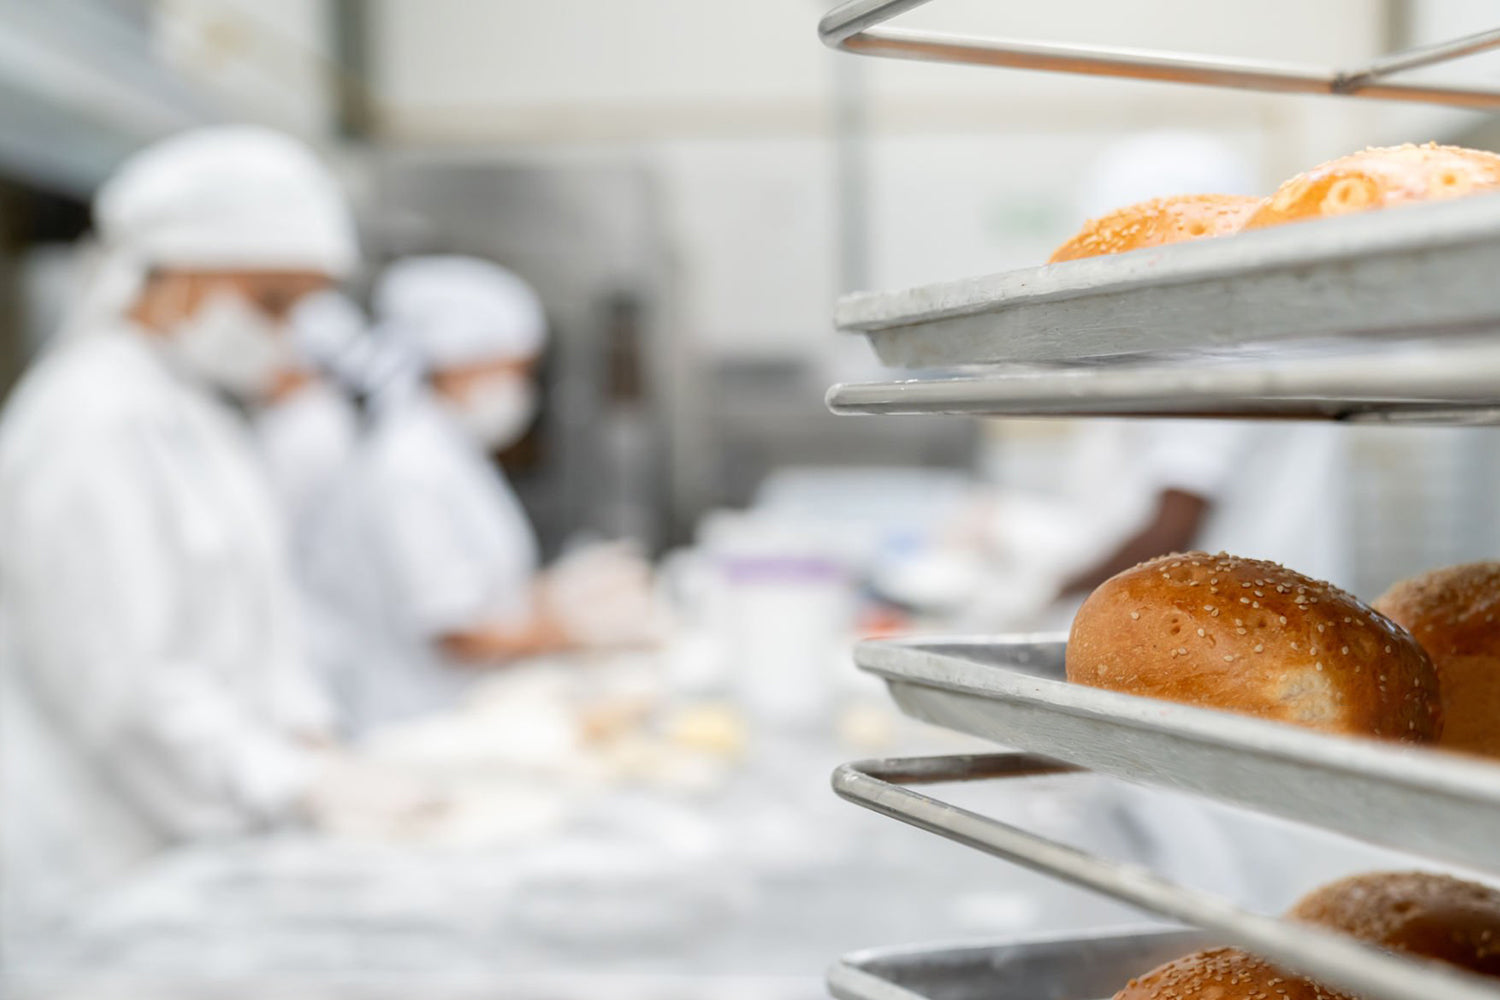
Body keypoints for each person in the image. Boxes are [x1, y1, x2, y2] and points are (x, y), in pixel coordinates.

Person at [0, 126, 357, 927]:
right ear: (167, 274)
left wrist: (308, 740)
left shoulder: (191, 413)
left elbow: (255, 627)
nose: (285, 330)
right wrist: (291, 784)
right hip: (103, 859)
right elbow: (121, 684)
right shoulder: (89, 421)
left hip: (198, 840)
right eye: (270, 301)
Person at [308, 255, 656, 733]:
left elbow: (484, 591)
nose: (520, 390)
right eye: (514, 370)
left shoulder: (448, 452)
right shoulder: (410, 467)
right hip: (421, 724)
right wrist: (584, 633)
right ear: (461, 364)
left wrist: (571, 590)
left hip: (462, 713)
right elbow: (458, 633)